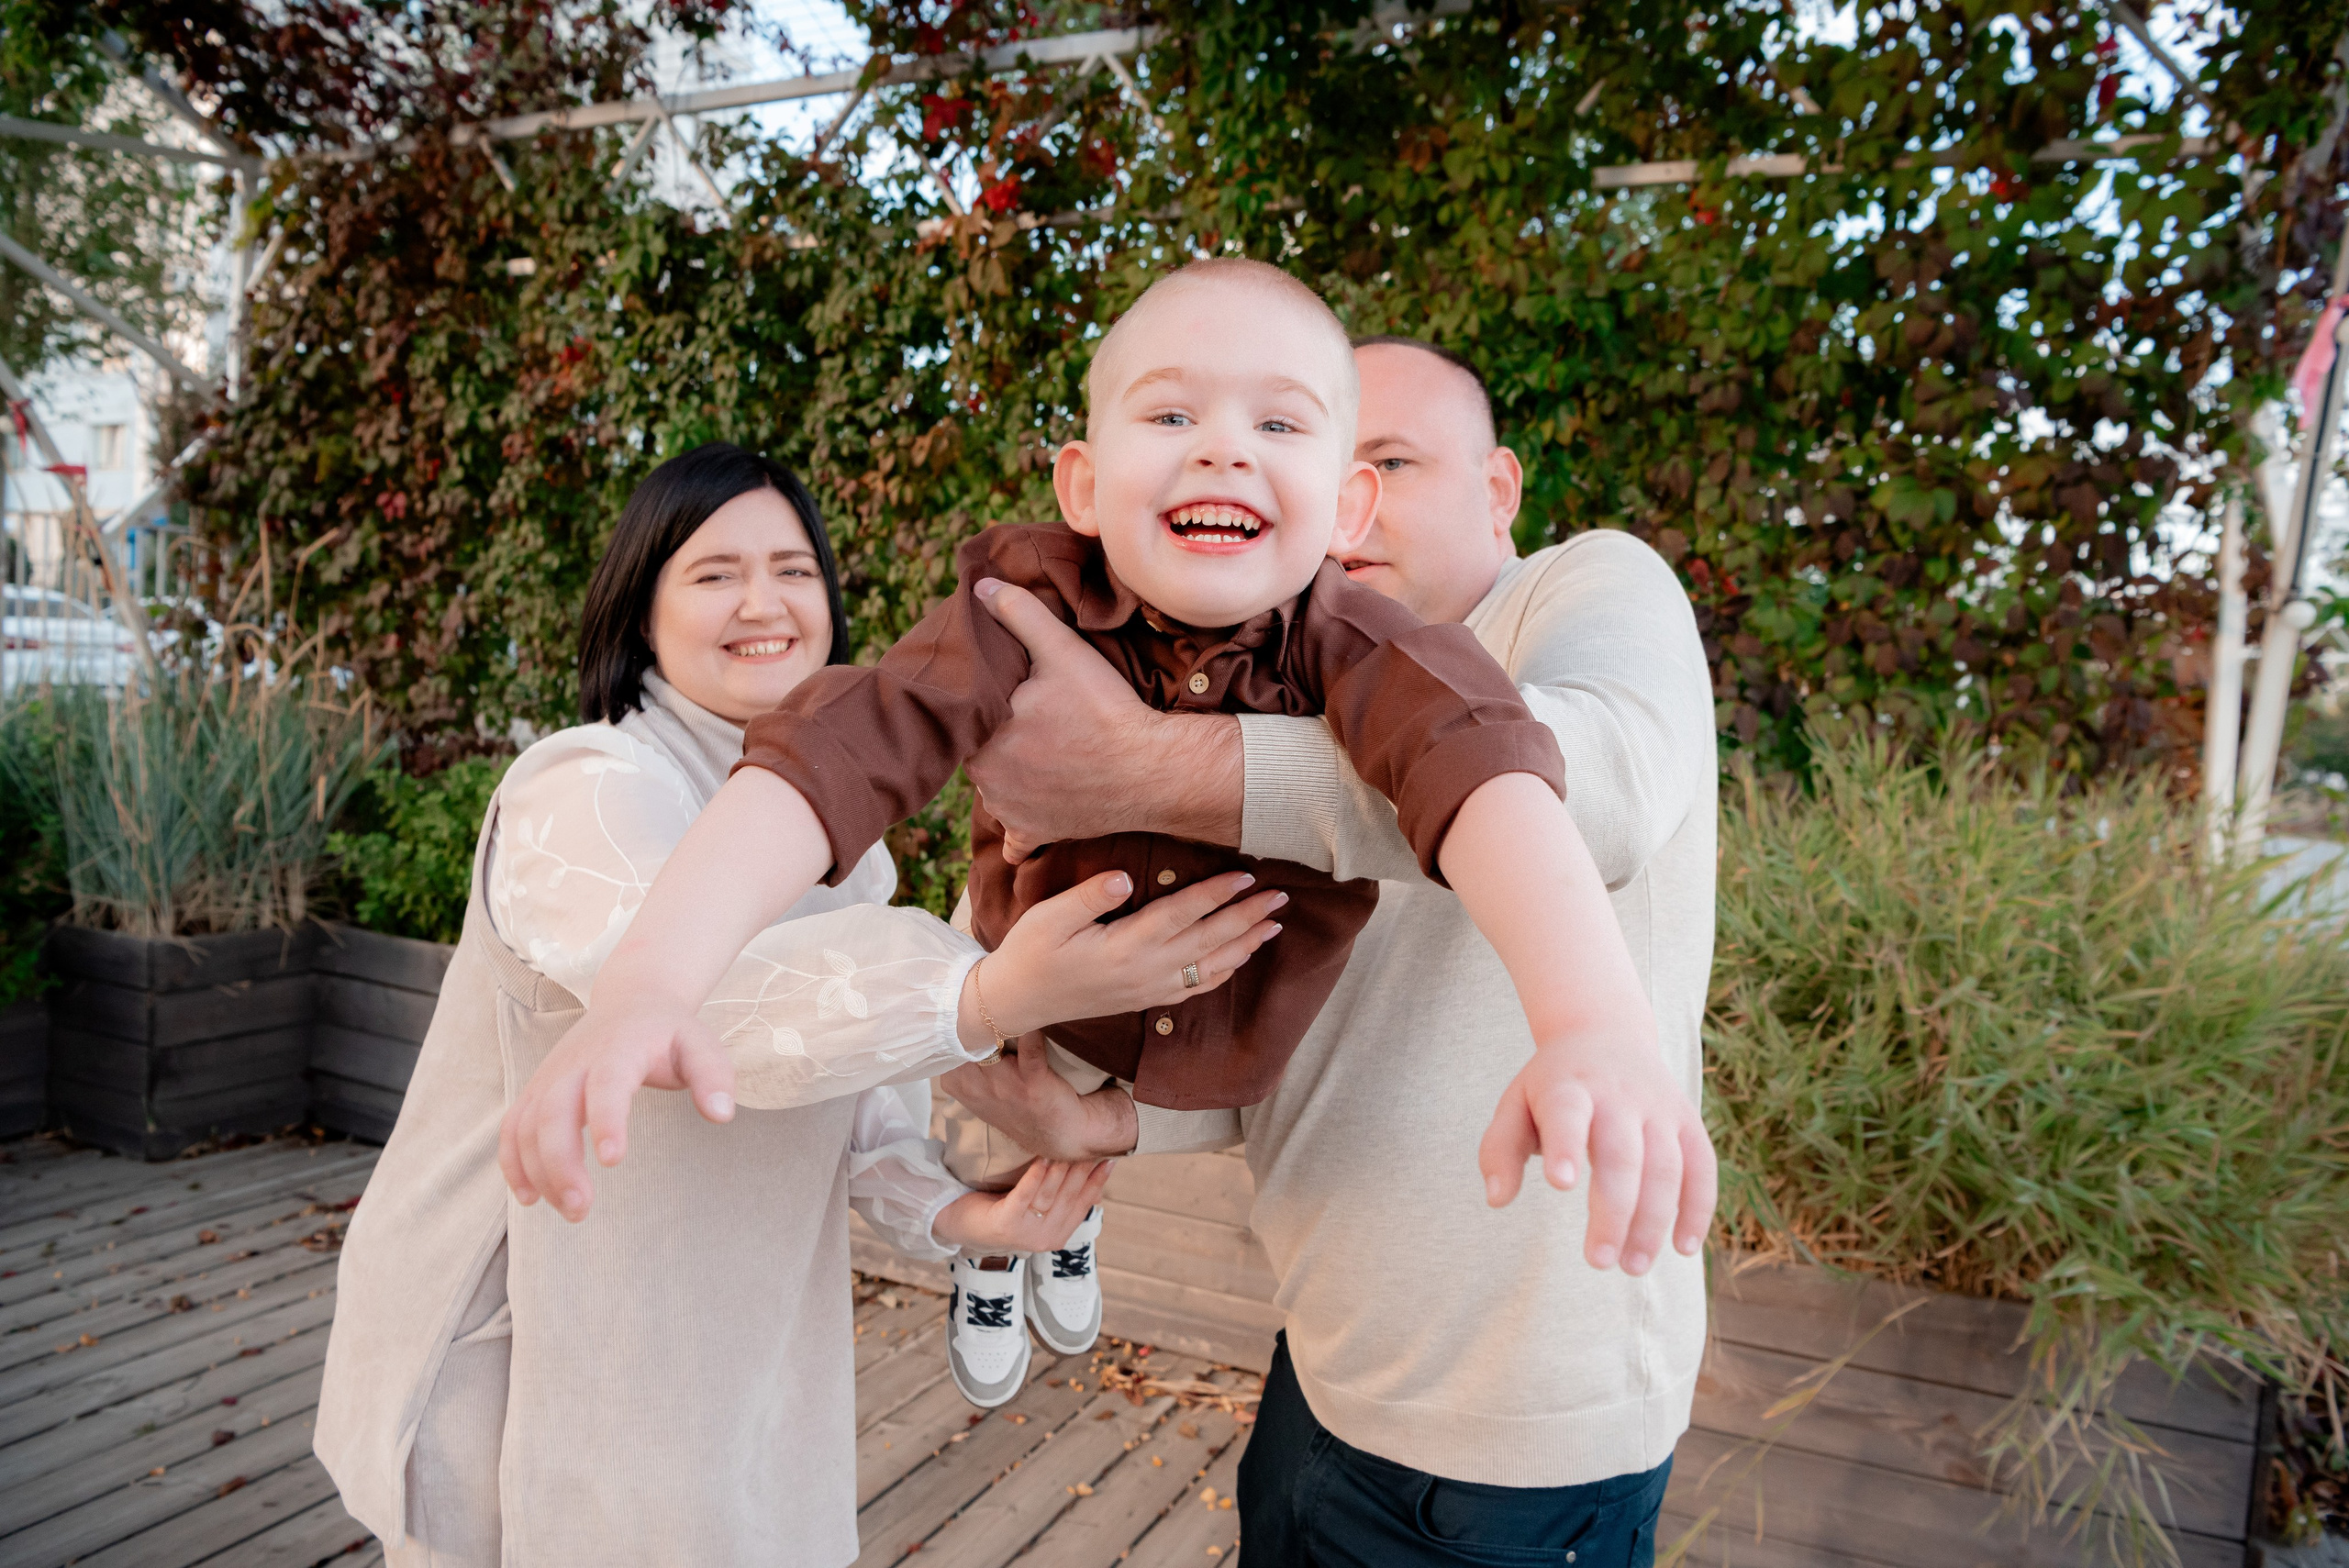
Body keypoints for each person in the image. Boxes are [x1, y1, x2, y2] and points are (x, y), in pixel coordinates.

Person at [495, 262, 1714, 1421]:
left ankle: (1062, 1209)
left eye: (1280, 427)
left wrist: (1591, 1023)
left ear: (1346, 509)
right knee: (985, 1059)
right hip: (1042, 1002)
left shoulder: (1371, 646)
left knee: (1052, 1092)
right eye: (1171, 412)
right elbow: (832, 753)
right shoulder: (1023, 603)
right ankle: (1022, 1229)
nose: (1224, 445)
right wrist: (650, 983)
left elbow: (1494, 784)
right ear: (1083, 484)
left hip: (1223, 1034)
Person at [315, 443, 1283, 1568]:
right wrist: (991, 988)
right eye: (715, 572)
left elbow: (853, 1112)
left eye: (793, 569)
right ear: (641, 610)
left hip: (746, 1343)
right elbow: (711, 1014)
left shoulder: (844, 856)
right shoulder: (579, 787)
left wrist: (970, 1217)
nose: (764, 602)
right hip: (552, 1335)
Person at [940, 336, 1720, 1566]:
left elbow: (1593, 794)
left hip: (1521, 1433)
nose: (1351, 507)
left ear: (1501, 488)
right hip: (1325, 1368)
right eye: (1327, 463)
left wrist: (1150, 762)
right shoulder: (1297, 685)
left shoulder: (1587, 589)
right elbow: (1310, 1026)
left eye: (1396, 461)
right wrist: (1121, 1123)